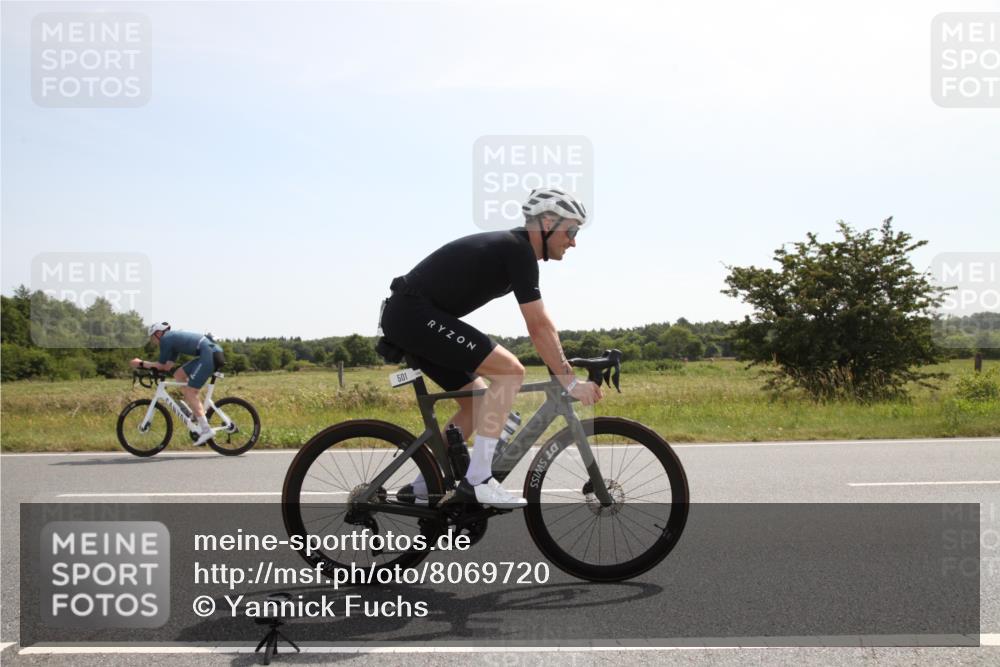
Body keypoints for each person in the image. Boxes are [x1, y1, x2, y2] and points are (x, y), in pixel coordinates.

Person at [379, 187, 603, 509]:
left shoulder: (515, 251)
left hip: (411, 316)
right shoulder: (518, 250)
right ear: (548, 221)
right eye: (571, 230)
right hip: (413, 314)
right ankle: (479, 481)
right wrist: (568, 380)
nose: (573, 241)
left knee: (477, 401)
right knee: (510, 372)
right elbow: (538, 325)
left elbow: (542, 325)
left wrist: (564, 370)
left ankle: (420, 487)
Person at [130, 322, 225, 446]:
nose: (153, 342)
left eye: (153, 338)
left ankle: (206, 430)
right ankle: (197, 413)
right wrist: (150, 367)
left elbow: (160, 365)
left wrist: (141, 363)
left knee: (191, 392)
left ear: (159, 333)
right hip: (210, 352)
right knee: (179, 375)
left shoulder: (166, 339)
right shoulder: (172, 340)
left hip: (209, 354)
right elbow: (167, 366)